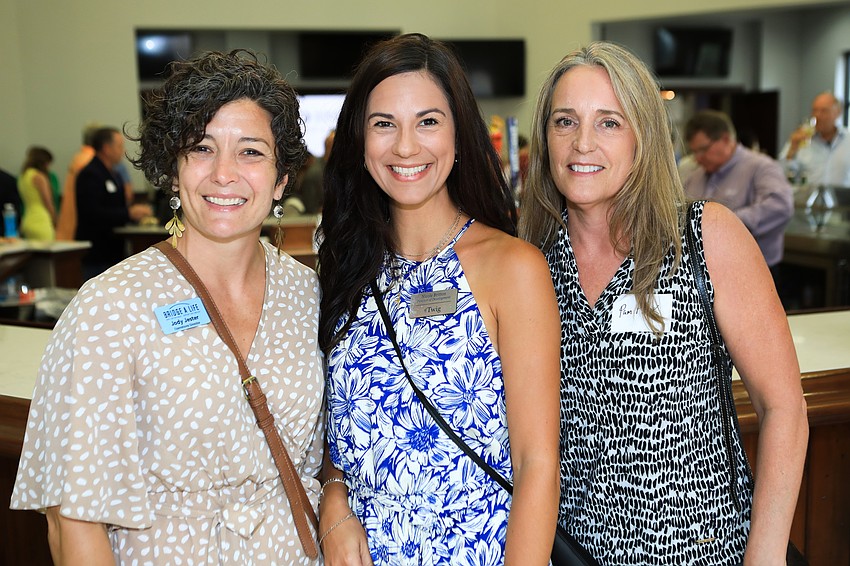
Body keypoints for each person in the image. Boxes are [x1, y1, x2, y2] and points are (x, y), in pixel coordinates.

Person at [11, 50, 325, 565]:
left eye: (250, 152)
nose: (224, 174)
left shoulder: (307, 294)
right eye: (201, 148)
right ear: (173, 173)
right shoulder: (111, 308)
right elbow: (74, 524)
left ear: (282, 178)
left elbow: (320, 460)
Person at [520, 41, 808, 565]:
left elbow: (784, 407)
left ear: (643, 136)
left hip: (710, 552)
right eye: (565, 121)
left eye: (609, 122)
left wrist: (764, 556)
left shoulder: (703, 236)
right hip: (573, 554)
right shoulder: (531, 263)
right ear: (545, 138)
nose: (582, 143)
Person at [317, 33, 560, 565]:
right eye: (385, 124)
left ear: (459, 133)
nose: (406, 147)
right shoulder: (344, 266)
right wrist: (334, 494)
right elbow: (337, 438)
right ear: (359, 138)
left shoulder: (511, 268)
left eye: (428, 121)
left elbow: (538, 464)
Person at [681, 110, 794, 273]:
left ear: (726, 139)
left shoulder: (760, 167)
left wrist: (724, 223)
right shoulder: (695, 174)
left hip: (752, 271)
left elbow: (780, 206)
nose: (698, 158)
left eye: (703, 149)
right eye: (694, 152)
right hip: (706, 272)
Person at [74, 127, 152, 279]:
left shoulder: (114, 173)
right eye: (119, 146)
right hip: (96, 252)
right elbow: (92, 212)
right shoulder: (90, 174)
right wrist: (128, 213)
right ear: (106, 148)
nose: (122, 151)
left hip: (113, 249)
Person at [780, 92, 850, 187]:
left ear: (838, 113)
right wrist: (792, 149)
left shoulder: (848, 140)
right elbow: (779, 174)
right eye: (814, 110)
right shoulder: (800, 140)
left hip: (843, 200)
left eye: (824, 111)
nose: (817, 115)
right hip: (806, 200)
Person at [17, 146, 57, 241]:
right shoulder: (39, 177)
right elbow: (48, 203)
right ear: (44, 163)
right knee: (48, 254)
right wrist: (56, 221)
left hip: (27, 220)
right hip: (41, 221)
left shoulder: (23, 176)